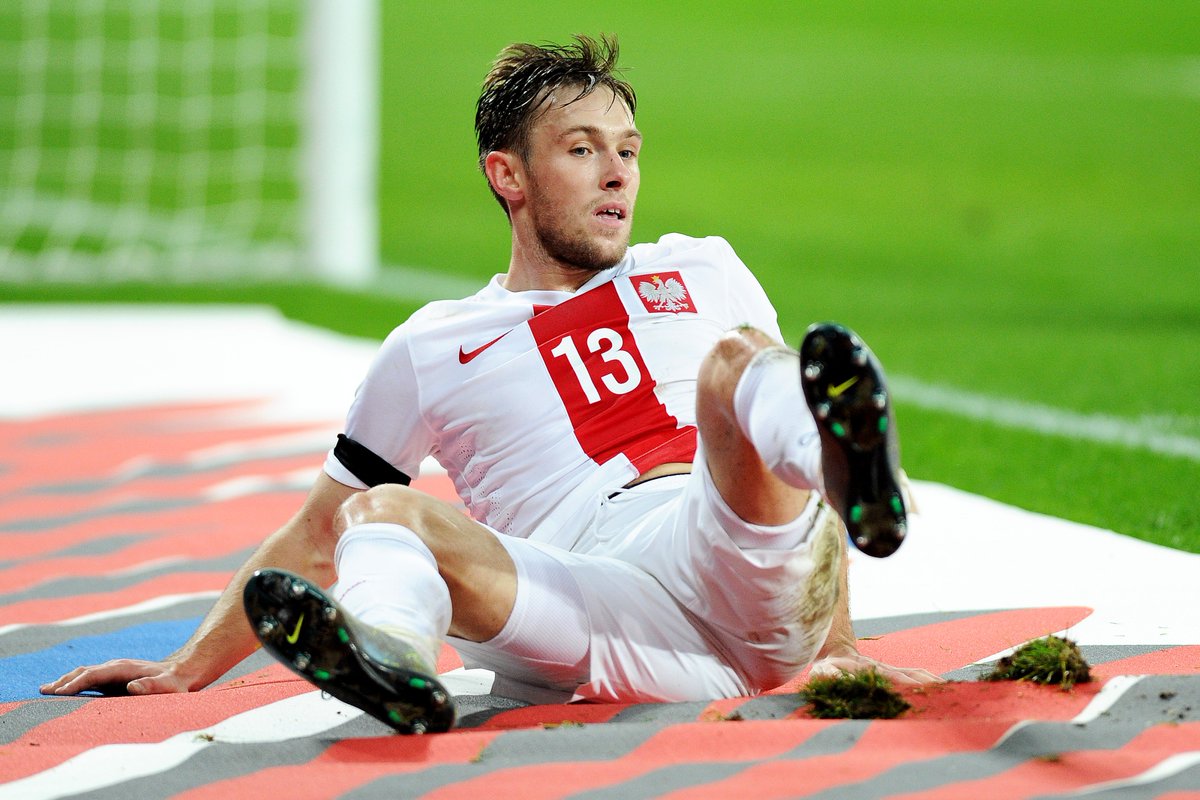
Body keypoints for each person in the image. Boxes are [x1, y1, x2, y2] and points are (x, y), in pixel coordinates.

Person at [42, 35, 940, 733]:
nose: (618, 173)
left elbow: (792, 445)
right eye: (582, 149)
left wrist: (840, 644)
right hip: (597, 608)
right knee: (376, 513)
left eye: (628, 150)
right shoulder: (429, 345)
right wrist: (185, 667)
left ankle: (868, 483)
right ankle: (393, 663)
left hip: (727, 542)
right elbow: (315, 533)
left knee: (743, 368)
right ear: (507, 174)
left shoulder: (703, 268)